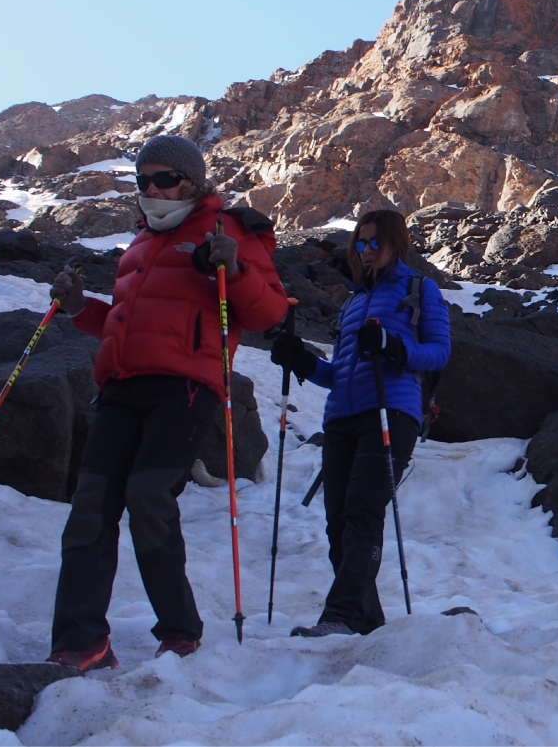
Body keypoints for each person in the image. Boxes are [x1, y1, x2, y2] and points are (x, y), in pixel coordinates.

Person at [46, 135, 289, 670]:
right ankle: (80, 641)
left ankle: (180, 628)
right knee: (91, 505)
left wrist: (236, 270)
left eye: (163, 179)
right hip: (121, 388)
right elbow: (125, 324)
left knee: (147, 495)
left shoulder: (229, 230)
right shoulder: (138, 244)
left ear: (192, 180)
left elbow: (270, 315)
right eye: (142, 181)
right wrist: (78, 308)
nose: (151, 189)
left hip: (184, 388)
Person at [269, 209, 450, 637]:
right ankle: (367, 622)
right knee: (339, 521)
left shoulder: (420, 289)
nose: (366, 252)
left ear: (395, 244)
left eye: (375, 243)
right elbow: (339, 373)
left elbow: (440, 352)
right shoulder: (353, 303)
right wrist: (303, 361)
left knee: (363, 513)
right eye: (361, 243)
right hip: (342, 417)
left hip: (392, 413)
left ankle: (342, 615)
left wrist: (394, 346)